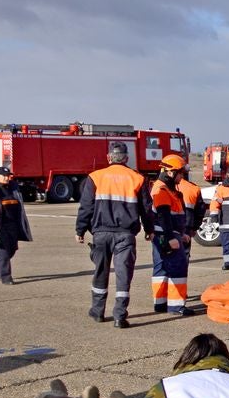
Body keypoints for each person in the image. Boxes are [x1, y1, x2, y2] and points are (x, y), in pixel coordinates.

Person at [76, 141, 152, 329]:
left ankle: (97, 312)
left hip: (101, 234)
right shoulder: (138, 178)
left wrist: (80, 230)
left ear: (109, 157)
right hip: (125, 235)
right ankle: (119, 316)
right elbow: (146, 209)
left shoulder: (95, 177)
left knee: (100, 272)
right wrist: (149, 229)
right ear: (126, 158)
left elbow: (86, 207)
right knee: (123, 274)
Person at [150, 155, 190, 316]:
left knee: (161, 268)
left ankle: (160, 304)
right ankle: (176, 306)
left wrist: (181, 234)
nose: (182, 177)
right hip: (166, 235)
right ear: (170, 172)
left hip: (164, 234)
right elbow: (163, 216)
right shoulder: (162, 190)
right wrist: (172, 237)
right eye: (180, 173)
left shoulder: (166, 188)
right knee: (178, 268)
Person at [175, 166, 206, 266]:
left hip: (168, 227)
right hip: (186, 227)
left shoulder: (163, 186)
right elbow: (200, 211)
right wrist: (195, 227)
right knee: (184, 255)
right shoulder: (193, 188)